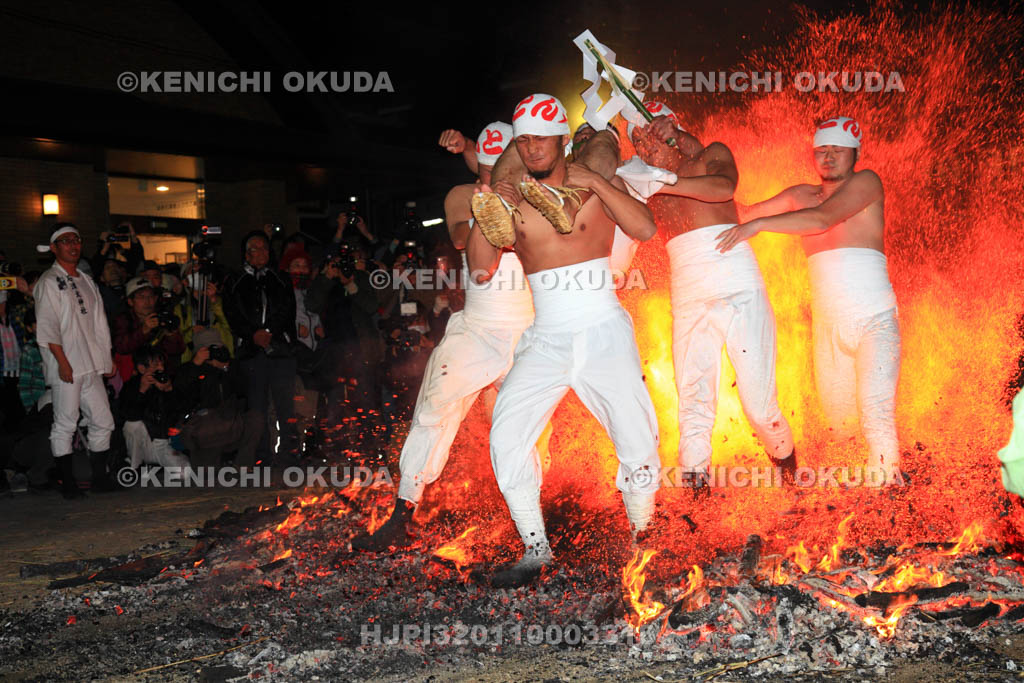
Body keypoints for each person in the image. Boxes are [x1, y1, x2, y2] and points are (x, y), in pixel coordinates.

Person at [468, 94, 661, 587]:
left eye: (541, 138)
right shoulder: (513, 201)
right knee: (507, 435)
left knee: (637, 438)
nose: (533, 147)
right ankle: (535, 550)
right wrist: (484, 204)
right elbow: (480, 267)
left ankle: (645, 540)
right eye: (524, 139)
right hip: (547, 336)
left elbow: (644, 226)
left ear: (560, 139)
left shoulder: (594, 184)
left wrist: (597, 181)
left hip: (601, 327)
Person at [352, 120, 546, 553]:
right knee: (433, 408)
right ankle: (403, 513)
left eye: (503, 168)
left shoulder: (536, 190)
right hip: (477, 328)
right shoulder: (464, 196)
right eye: (486, 169)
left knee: (526, 431)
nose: (496, 176)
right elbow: (463, 238)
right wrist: (491, 201)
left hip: (529, 330)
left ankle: (533, 525)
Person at [716, 116, 903, 486]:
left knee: (875, 415)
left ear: (856, 153)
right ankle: (854, 507)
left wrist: (758, 227)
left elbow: (822, 220)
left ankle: (887, 503)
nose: (829, 157)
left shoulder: (867, 182)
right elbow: (745, 212)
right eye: (822, 150)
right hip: (829, 330)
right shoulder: (799, 195)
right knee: (839, 427)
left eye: (838, 150)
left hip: (875, 321)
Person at [630, 102, 795, 494]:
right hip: (688, 292)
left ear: (670, 130)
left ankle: (793, 478)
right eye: (636, 139)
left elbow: (724, 188)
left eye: (649, 134)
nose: (642, 146)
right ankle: (699, 506)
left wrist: (667, 171)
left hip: (737, 279)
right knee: (693, 401)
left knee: (759, 407)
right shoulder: (643, 180)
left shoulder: (710, 154)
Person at [33, 223, 117, 498]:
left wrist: (107, 357)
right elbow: (47, 325)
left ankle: (99, 477)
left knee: (103, 420)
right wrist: (61, 361)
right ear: (55, 248)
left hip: (91, 362)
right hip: (66, 362)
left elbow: (99, 324)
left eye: (76, 240)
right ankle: (67, 482)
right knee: (66, 423)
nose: (73, 245)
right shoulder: (48, 281)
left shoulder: (85, 279)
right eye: (65, 241)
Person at [222, 231, 299, 462]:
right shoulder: (235, 280)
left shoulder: (280, 277)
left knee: (286, 404)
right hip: (251, 351)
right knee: (257, 406)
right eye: (255, 248)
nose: (261, 252)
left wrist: (270, 332)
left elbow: (288, 309)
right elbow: (232, 313)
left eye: (265, 248)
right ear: (246, 253)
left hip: (280, 350)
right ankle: (262, 454)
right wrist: (252, 334)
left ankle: (290, 452)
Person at [176, 328, 262, 468]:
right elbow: (182, 394)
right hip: (203, 429)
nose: (216, 352)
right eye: (211, 349)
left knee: (255, 419)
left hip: (229, 423)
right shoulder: (188, 370)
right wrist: (197, 366)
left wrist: (225, 369)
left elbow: (244, 390)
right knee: (206, 477)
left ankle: (243, 466)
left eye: (219, 347)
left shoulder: (231, 366)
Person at [119, 347, 189, 470]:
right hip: (141, 441)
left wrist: (169, 391)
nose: (161, 368)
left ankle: (156, 465)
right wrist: (142, 391)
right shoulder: (131, 386)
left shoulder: (169, 381)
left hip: (162, 442)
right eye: (156, 365)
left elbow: (184, 410)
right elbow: (128, 415)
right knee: (133, 424)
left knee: (185, 471)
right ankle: (135, 466)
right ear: (141, 368)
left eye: (162, 364)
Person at [112, 276, 187, 379]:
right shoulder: (123, 320)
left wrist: (171, 335)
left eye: (151, 296)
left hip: (162, 373)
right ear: (130, 301)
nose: (147, 301)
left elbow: (178, 350)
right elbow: (121, 347)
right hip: (133, 376)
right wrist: (143, 330)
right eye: (141, 297)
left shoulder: (162, 316)